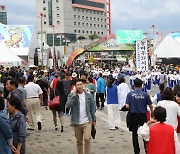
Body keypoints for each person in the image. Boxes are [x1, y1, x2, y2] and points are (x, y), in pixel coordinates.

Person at [66, 79, 96, 154]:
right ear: (75, 87)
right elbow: (68, 105)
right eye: (78, 85)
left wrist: (93, 119)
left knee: (87, 138)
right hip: (76, 121)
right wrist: (74, 95)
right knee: (79, 141)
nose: (80, 86)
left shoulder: (88, 95)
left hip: (87, 121)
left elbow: (92, 107)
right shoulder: (72, 95)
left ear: (84, 85)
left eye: (81, 84)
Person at [125, 78, 153, 154]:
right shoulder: (145, 94)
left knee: (134, 133)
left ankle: (136, 151)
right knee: (145, 133)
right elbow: (151, 105)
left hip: (133, 115)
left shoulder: (130, 94)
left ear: (134, 85)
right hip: (143, 115)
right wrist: (152, 114)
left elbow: (127, 106)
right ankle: (147, 149)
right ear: (141, 85)